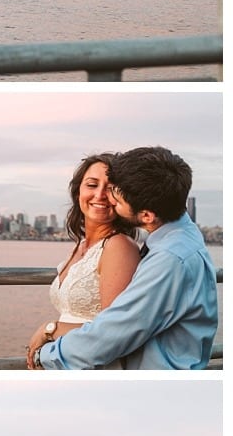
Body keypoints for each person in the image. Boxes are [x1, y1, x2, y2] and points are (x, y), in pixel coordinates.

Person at [29, 147, 218, 369]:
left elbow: (114, 333)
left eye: (116, 198)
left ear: (147, 215)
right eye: (92, 184)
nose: (107, 197)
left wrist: (46, 351)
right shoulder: (178, 235)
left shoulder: (169, 258)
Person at [25, 154, 141, 370]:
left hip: (95, 367)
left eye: (111, 188)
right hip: (65, 359)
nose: (100, 195)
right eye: (92, 184)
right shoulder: (80, 246)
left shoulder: (118, 247)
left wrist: (49, 330)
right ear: (78, 190)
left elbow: (112, 332)